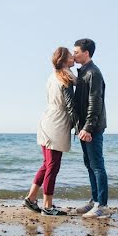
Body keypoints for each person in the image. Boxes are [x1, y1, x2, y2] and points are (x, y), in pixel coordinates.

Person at [23, 47, 77, 216]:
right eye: (70, 56)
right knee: (53, 166)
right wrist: (79, 126)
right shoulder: (66, 77)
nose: (73, 57)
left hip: (47, 120)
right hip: (57, 123)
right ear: (64, 60)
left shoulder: (52, 76)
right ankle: (48, 206)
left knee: (47, 165)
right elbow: (70, 105)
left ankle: (31, 198)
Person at [71, 38, 109, 218]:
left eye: (76, 52)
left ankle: (102, 205)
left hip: (92, 127)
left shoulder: (93, 72)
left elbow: (95, 103)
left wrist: (87, 127)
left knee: (97, 165)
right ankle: (94, 201)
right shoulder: (83, 72)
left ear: (86, 53)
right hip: (84, 127)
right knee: (89, 165)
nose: (74, 55)